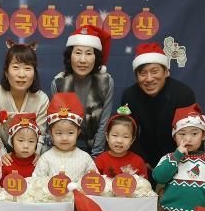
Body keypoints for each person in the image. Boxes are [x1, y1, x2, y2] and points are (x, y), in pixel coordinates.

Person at [120, 42, 196, 175]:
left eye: (155, 71)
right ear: (136, 76)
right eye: (142, 73)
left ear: (166, 72)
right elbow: (126, 131)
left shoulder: (183, 95)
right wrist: (141, 160)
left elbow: (190, 133)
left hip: (179, 159)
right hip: (144, 161)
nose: (149, 79)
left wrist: (175, 160)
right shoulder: (129, 96)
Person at [51, 25, 114, 157]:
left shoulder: (106, 82)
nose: (83, 60)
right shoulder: (59, 82)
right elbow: (56, 123)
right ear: (70, 56)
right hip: (65, 145)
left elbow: (104, 123)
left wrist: (96, 155)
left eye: (89, 53)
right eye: (78, 53)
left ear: (96, 57)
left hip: (95, 146)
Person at [0, 40, 49, 153]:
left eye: (27, 68)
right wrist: (2, 155)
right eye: (16, 67)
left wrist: (34, 154)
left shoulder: (42, 99)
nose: (21, 74)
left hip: (31, 154)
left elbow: (41, 136)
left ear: (34, 73)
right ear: (6, 72)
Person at [32, 92, 97, 182]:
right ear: (51, 133)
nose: (64, 138)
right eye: (59, 133)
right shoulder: (45, 158)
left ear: (78, 133)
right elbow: (36, 183)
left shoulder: (85, 158)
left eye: (70, 133)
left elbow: (95, 182)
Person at [94, 105, 148, 178]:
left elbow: (144, 183)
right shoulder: (100, 160)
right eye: (115, 135)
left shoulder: (138, 162)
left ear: (132, 140)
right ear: (107, 136)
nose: (119, 141)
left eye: (125, 137)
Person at [0, 113, 40, 184]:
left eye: (31, 141)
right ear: (12, 142)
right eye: (21, 140)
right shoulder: (6, 163)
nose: (26, 146)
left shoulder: (39, 163)